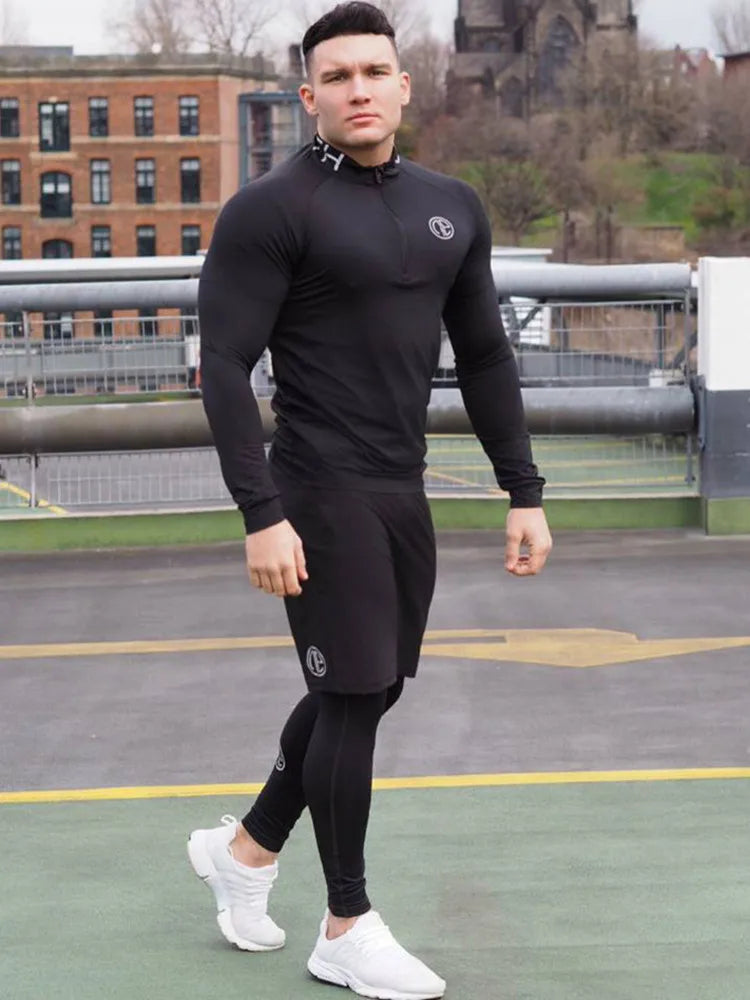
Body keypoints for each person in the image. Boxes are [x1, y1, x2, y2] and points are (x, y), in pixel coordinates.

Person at [188, 4, 552, 998]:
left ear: (403, 85)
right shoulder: (272, 209)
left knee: (371, 687)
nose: (359, 89)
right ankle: (346, 924)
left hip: (401, 486)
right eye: (338, 75)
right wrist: (260, 512)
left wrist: (523, 490)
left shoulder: (451, 206)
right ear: (309, 95)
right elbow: (223, 364)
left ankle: (247, 851)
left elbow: (485, 356)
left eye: (375, 72)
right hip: (316, 487)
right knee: (352, 693)